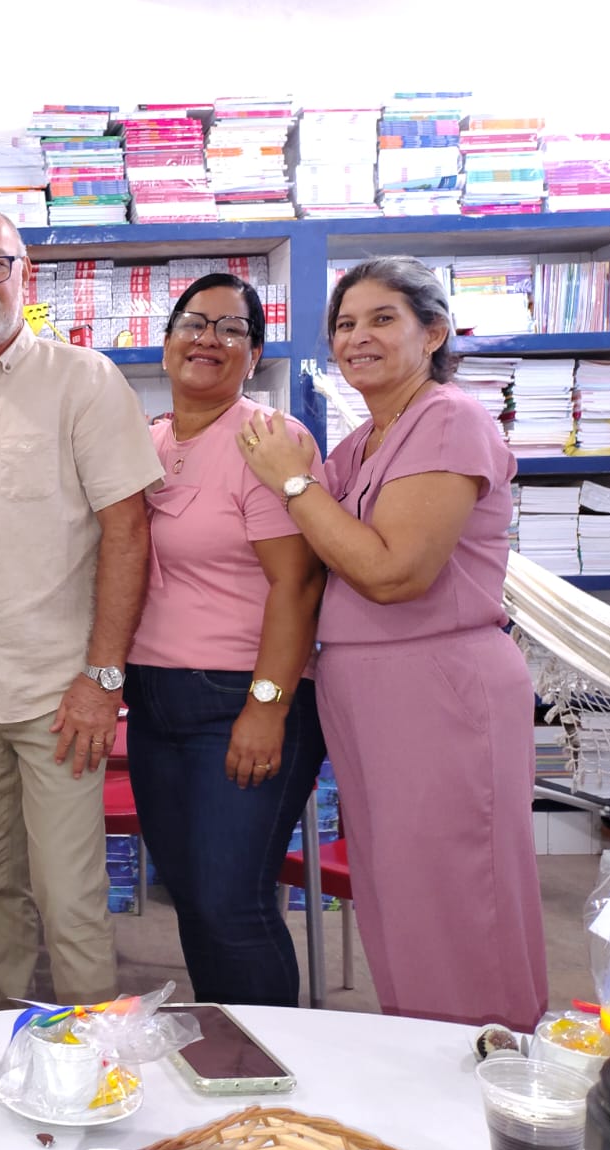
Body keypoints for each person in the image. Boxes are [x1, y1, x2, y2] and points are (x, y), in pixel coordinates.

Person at [237, 254, 548, 1030]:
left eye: (382, 319)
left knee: (458, 891)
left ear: (433, 332)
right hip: (371, 696)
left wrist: (291, 482)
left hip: (439, 687)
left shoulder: (450, 419)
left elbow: (391, 572)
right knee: (400, 892)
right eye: (344, 324)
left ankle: (487, 1069)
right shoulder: (367, 440)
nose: (357, 337)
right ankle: (425, 1060)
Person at [0, 205, 161, 1009]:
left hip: (60, 697)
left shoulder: (84, 380)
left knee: (71, 899)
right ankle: (6, 1046)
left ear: (26, 275)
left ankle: (94, 1064)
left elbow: (128, 530)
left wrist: (103, 677)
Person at [125, 273, 327, 1007]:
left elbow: (298, 584)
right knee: (194, 898)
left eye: (230, 329)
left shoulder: (269, 440)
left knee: (232, 901)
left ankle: (271, 1073)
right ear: (167, 339)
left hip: (241, 698)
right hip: (154, 700)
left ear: (254, 353)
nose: (207, 339)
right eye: (192, 322)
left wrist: (267, 706)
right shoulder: (142, 444)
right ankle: (227, 1045)